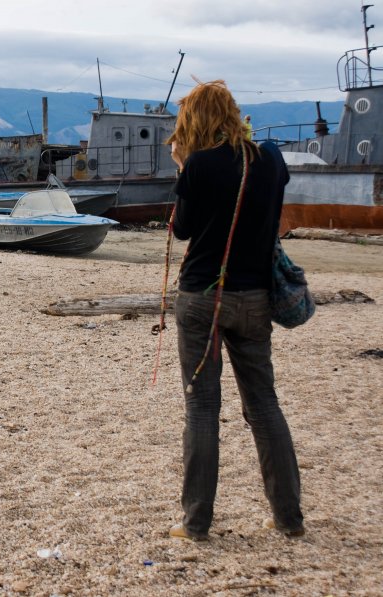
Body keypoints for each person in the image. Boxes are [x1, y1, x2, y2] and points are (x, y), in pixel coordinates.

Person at [165, 80, 304, 542]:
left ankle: (195, 523)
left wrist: (183, 168)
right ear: (234, 114)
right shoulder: (271, 160)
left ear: (193, 123)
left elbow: (182, 230)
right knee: (264, 404)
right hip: (254, 297)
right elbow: (269, 217)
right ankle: (289, 518)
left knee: (202, 407)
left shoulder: (199, 165)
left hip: (202, 297)